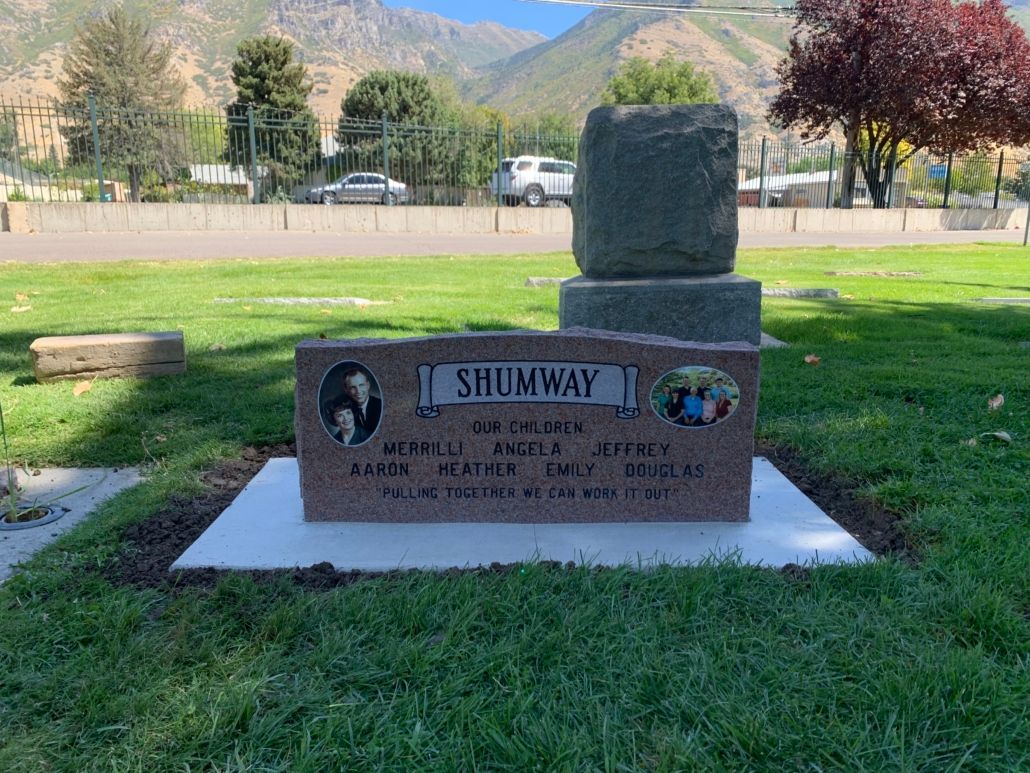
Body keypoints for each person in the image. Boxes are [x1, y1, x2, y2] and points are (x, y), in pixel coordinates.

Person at [342, 366, 382, 434]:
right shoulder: (346, 411)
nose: (358, 391)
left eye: (361, 385)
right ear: (346, 390)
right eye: (353, 387)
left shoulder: (380, 405)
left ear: (368, 385)